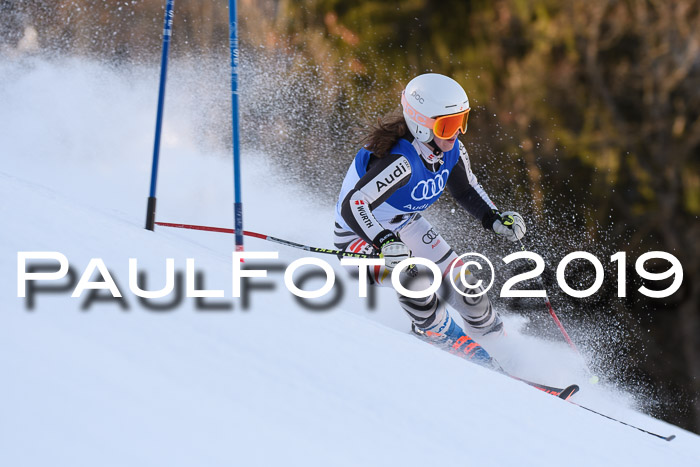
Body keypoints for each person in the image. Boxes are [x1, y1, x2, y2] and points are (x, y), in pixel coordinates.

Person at [333, 73, 526, 368]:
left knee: (469, 290)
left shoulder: (452, 150)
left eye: (461, 121)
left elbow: (465, 189)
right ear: (422, 124)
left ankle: (505, 353)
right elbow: (354, 205)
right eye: (446, 126)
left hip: (405, 224)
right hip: (358, 238)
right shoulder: (402, 162)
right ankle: (437, 337)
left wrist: (495, 218)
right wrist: (383, 241)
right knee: (415, 278)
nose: (455, 133)